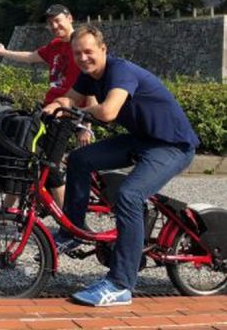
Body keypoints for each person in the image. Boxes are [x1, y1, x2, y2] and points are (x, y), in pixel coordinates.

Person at [44, 25, 199, 307]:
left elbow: (107, 111)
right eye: (77, 53)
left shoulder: (120, 71)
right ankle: (72, 232)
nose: (83, 58)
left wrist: (77, 110)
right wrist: (55, 105)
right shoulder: (89, 75)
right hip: (142, 139)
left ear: (104, 49)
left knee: (129, 195)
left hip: (172, 145)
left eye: (89, 51)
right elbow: (69, 97)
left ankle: (120, 285)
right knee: (80, 159)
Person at [0, 4, 89, 206]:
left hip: (67, 114)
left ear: (70, 18)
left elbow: (92, 83)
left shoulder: (82, 45)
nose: (54, 25)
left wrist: (86, 124)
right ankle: (6, 212)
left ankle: (70, 223)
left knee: (49, 168)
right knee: (24, 158)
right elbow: (31, 57)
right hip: (49, 110)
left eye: (58, 20)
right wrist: (4, 52)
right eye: (50, 23)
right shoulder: (55, 46)